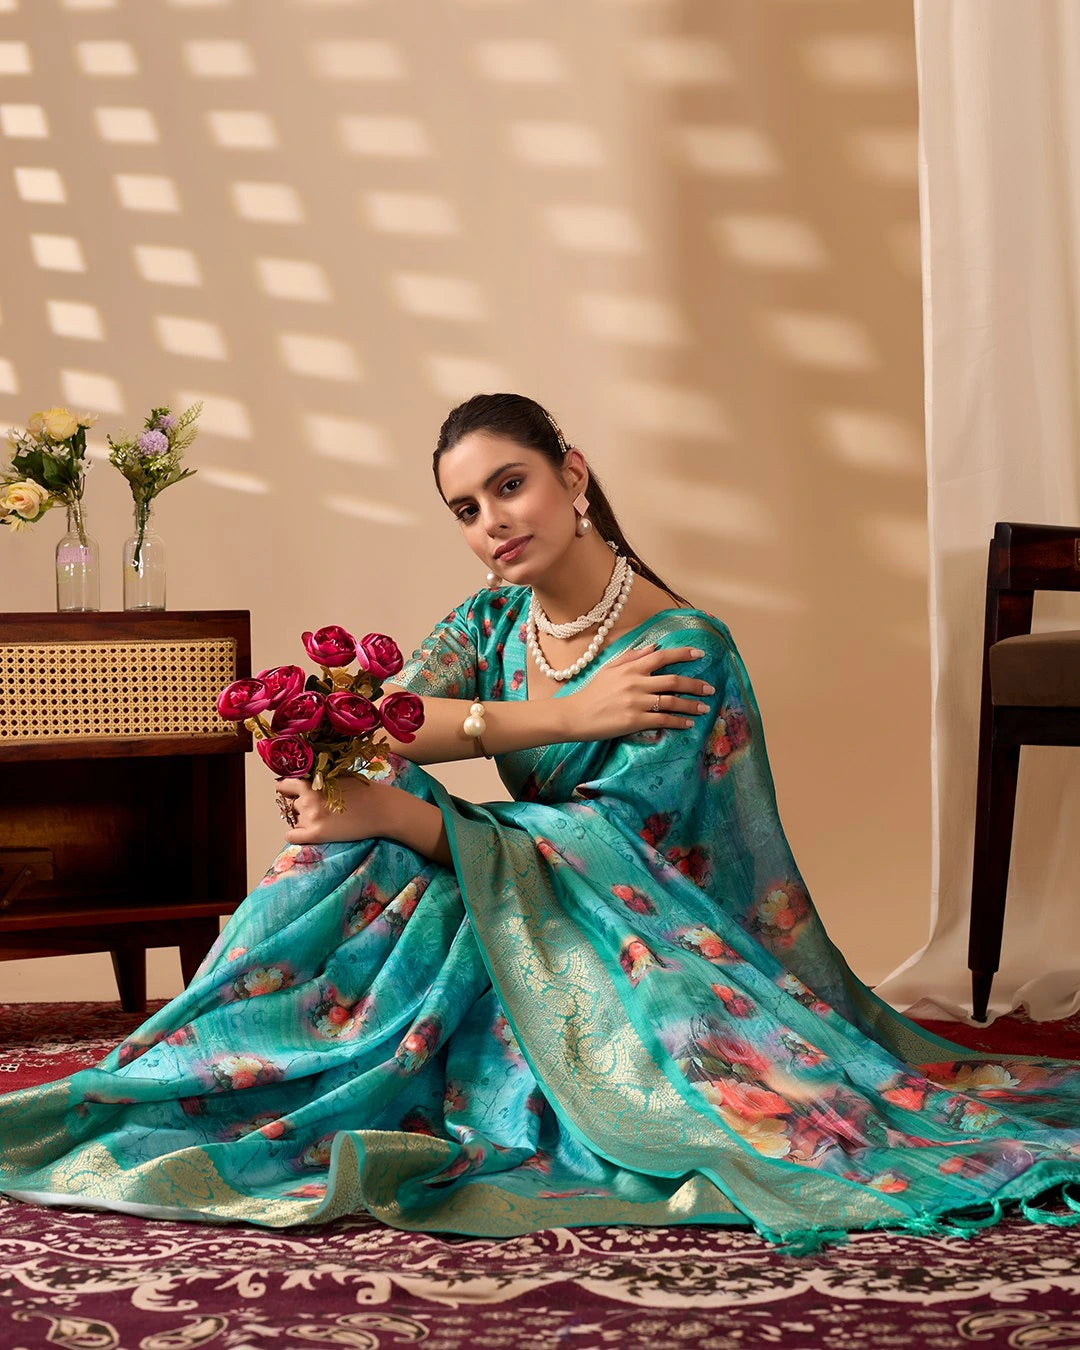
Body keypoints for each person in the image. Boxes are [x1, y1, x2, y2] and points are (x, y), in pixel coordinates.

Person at [1, 392, 1078, 1254]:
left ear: (573, 475)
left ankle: (251, 1051)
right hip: (527, 887)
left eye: (509, 485)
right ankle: (191, 1058)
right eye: (466, 510)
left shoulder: (681, 651)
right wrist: (554, 718)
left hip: (644, 939)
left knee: (390, 819)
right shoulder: (495, 619)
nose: (492, 524)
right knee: (355, 816)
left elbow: (626, 858)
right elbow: (385, 720)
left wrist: (400, 811)